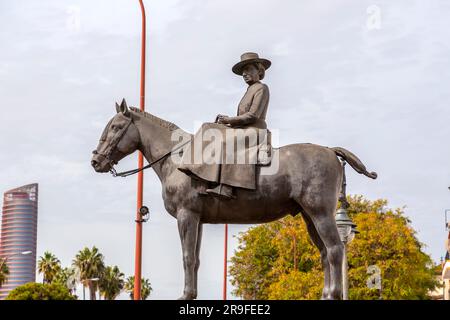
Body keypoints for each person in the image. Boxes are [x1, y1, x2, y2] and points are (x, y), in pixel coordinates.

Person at [178, 52, 271, 199]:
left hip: (255, 130)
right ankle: (196, 171)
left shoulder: (262, 88)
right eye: (243, 72)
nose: (245, 74)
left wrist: (229, 120)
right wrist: (225, 120)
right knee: (207, 127)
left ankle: (227, 187)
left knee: (222, 141)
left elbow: (252, 116)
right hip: (243, 128)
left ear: (259, 71)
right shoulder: (249, 90)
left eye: (248, 70)